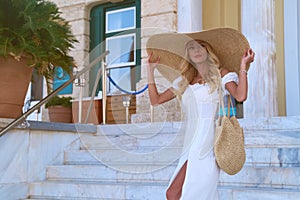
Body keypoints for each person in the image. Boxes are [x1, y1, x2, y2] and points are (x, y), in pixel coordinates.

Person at [146, 28, 255, 200]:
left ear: (207, 50)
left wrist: (243, 67)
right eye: (191, 48)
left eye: (200, 46)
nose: (196, 51)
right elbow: (156, 100)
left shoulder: (222, 74)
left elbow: (241, 96)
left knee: (196, 194)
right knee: (172, 193)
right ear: (187, 54)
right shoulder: (184, 79)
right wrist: (150, 72)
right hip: (191, 141)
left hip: (210, 141)